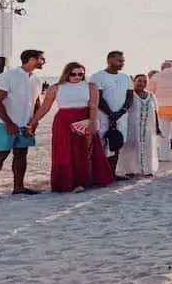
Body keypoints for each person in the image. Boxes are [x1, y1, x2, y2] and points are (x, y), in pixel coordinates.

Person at [27, 61, 115, 193]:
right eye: (73, 74)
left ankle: (84, 181)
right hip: (63, 122)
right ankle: (65, 183)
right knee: (64, 151)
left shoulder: (90, 86)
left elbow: (93, 106)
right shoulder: (55, 87)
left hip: (84, 119)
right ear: (67, 74)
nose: (77, 77)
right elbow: (45, 107)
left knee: (85, 151)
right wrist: (32, 122)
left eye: (81, 74)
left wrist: (92, 122)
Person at [0, 49, 46, 198]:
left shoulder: (36, 79)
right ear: (31, 59)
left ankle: (19, 187)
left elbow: (37, 101)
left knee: (21, 154)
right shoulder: (7, 77)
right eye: (41, 59)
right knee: (0, 154)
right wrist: (8, 122)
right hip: (3, 123)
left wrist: (33, 123)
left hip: (25, 124)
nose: (44, 62)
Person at [91, 51, 133, 180]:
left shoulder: (125, 77)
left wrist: (121, 112)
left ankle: (112, 173)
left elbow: (130, 96)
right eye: (119, 60)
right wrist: (110, 114)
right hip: (103, 116)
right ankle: (99, 174)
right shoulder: (97, 76)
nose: (122, 63)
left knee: (116, 144)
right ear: (109, 60)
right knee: (102, 143)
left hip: (121, 117)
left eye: (123, 61)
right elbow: (98, 97)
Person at [151, 60, 172, 162]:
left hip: (162, 109)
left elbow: (150, 91)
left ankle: (164, 157)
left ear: (162, 68)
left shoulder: (156, 76)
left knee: (164, 135)